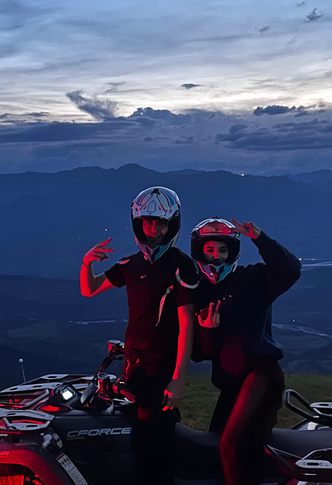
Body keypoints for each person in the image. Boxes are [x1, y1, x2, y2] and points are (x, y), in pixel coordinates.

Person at [80, 186, 198, 485]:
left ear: (172, 225)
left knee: (152, 441)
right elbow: (89, 289)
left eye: (160, 223)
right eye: (147, 222)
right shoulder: (131, 265)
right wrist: (87, 263)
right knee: (143, 436)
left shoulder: (181, 266)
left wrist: (179, 378)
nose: (154, 230)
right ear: (137, 224)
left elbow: (187, 324)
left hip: (160, 365)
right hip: (134, 363)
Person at [189, 217, 301, 485]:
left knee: (231, 443)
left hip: (260, 373)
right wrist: (208, 330)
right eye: (210, 250)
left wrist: (261, 239)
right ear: (200, 252)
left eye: (223, 250)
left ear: (232, 252)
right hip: (232, 382)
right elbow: (200, 353)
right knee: (216, 441)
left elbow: (290, 270)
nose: (217, 256)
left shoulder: (253, 279)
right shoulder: (200, 291)